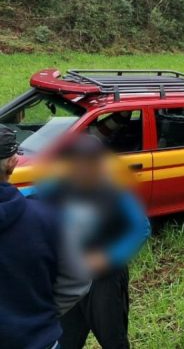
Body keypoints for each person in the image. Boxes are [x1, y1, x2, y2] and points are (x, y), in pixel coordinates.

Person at [29, 134, 150, 349]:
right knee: (64, 340)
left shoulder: (115, 191)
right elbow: (27, 198)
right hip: (68, 277)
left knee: (113, 340)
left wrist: (110, 256)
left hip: (103, 280)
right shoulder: (56, 187)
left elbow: (140, 228)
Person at [0, 126, 91, 349]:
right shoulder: (48, 217)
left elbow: (141, 226)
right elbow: (77, 281)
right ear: (12, 162)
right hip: (36, 339)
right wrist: (41, 311)